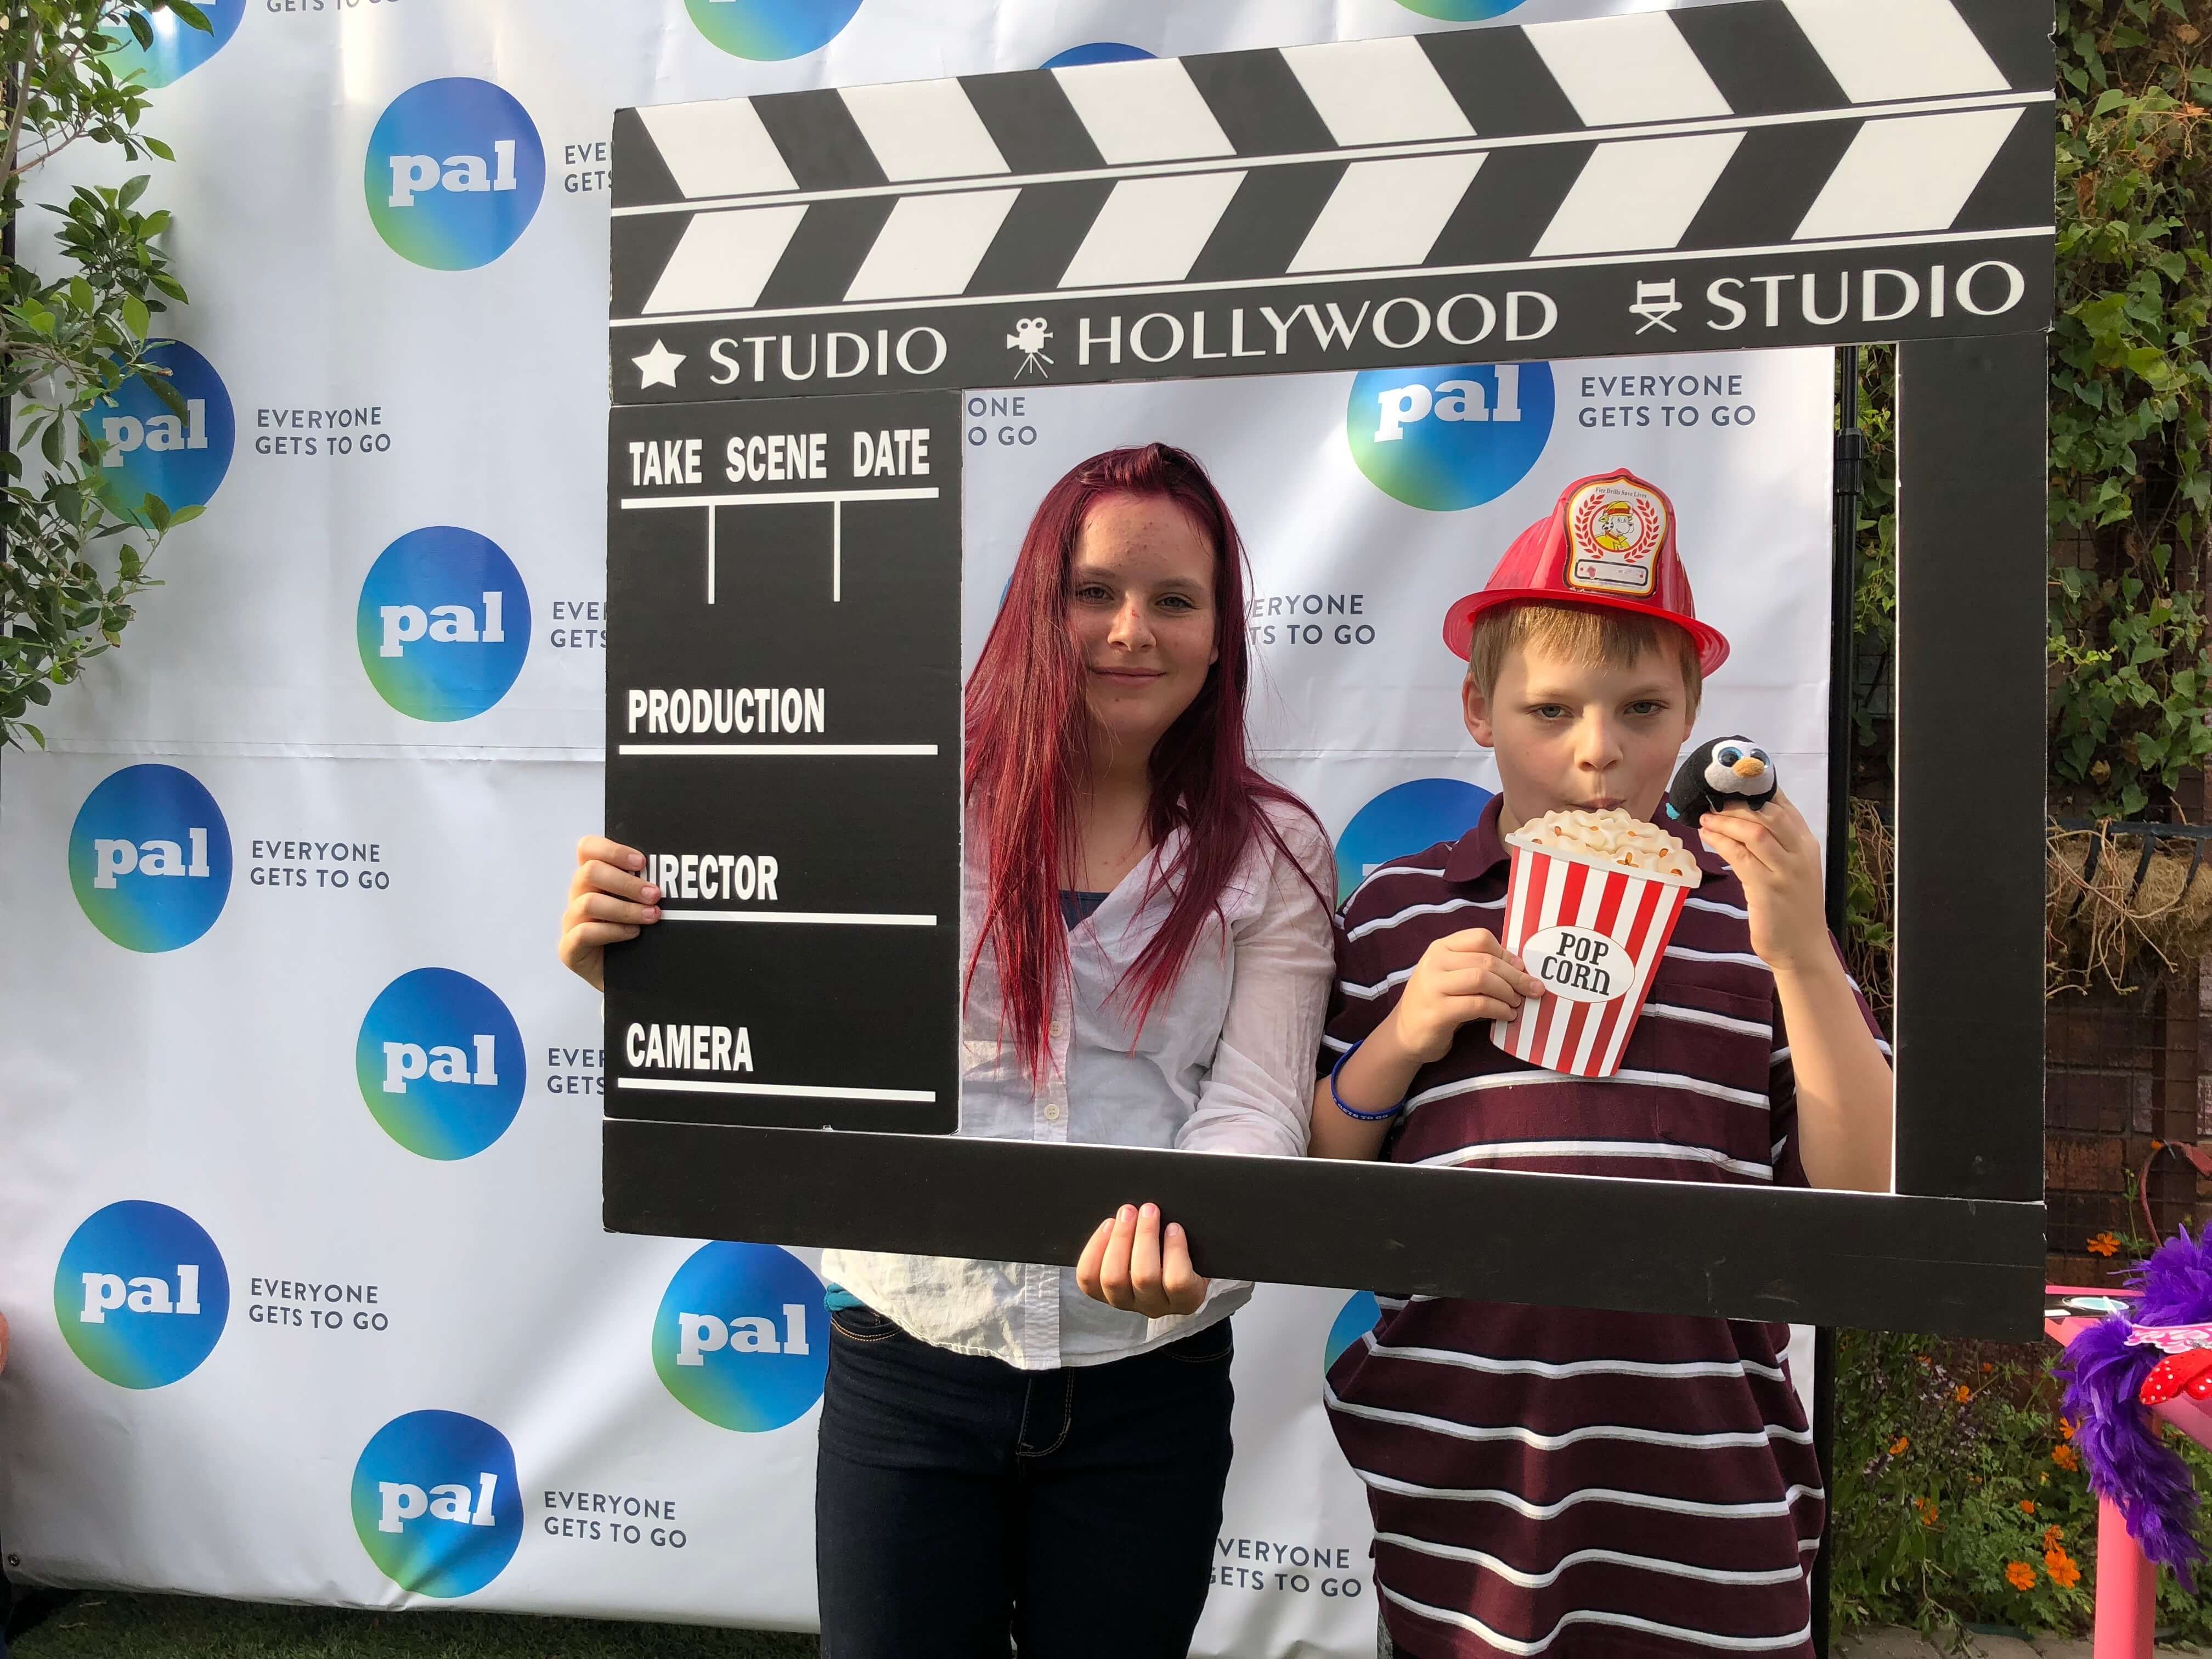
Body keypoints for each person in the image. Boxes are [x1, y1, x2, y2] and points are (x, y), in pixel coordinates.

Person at [560, 443, 1334, 1658]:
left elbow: (1259, 1106)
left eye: (1176, 600)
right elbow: (792, 1031)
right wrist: (654, 975)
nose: (1131, 631)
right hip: (909, 1356)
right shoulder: (891, 805)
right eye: (1094, 592)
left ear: (1221, 636)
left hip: (1152, 1377)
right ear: (1036, 606)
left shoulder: (1275, 853)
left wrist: (1195, 1235)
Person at [1312, 470, 1893, 1659]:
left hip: (1711, 1473)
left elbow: (1858, 1183)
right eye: (1550, 710)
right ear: (1478, 711)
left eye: (1641, 710)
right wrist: (1405, 1035)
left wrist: (1799, 950)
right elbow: (1323, 1169)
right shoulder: (1400, 910)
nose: (1599, 754)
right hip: (1464, 1476)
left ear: (1693, 714)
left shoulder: (1749, 911)